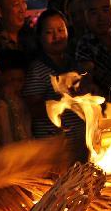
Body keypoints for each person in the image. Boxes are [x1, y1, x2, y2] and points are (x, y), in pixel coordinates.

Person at [22, 9, 87, 163]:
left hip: (79, 143)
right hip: (53, 149)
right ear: (39, 37)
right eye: (49, 32)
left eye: (60, 30)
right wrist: (63, 101)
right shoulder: (38, 69)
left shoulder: (74, 64)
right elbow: (32, 109)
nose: (57, 36)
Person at [75, 0, 111, 98]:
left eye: (106, 10)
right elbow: (86, 72)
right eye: (94, 13)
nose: (101, 17)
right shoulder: (85, 44)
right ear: (85, 15)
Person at [0, 49, 31, 145]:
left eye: (20, 80)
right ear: (2, 77)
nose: (16, 85)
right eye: (12, 80)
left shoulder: (23, 101)